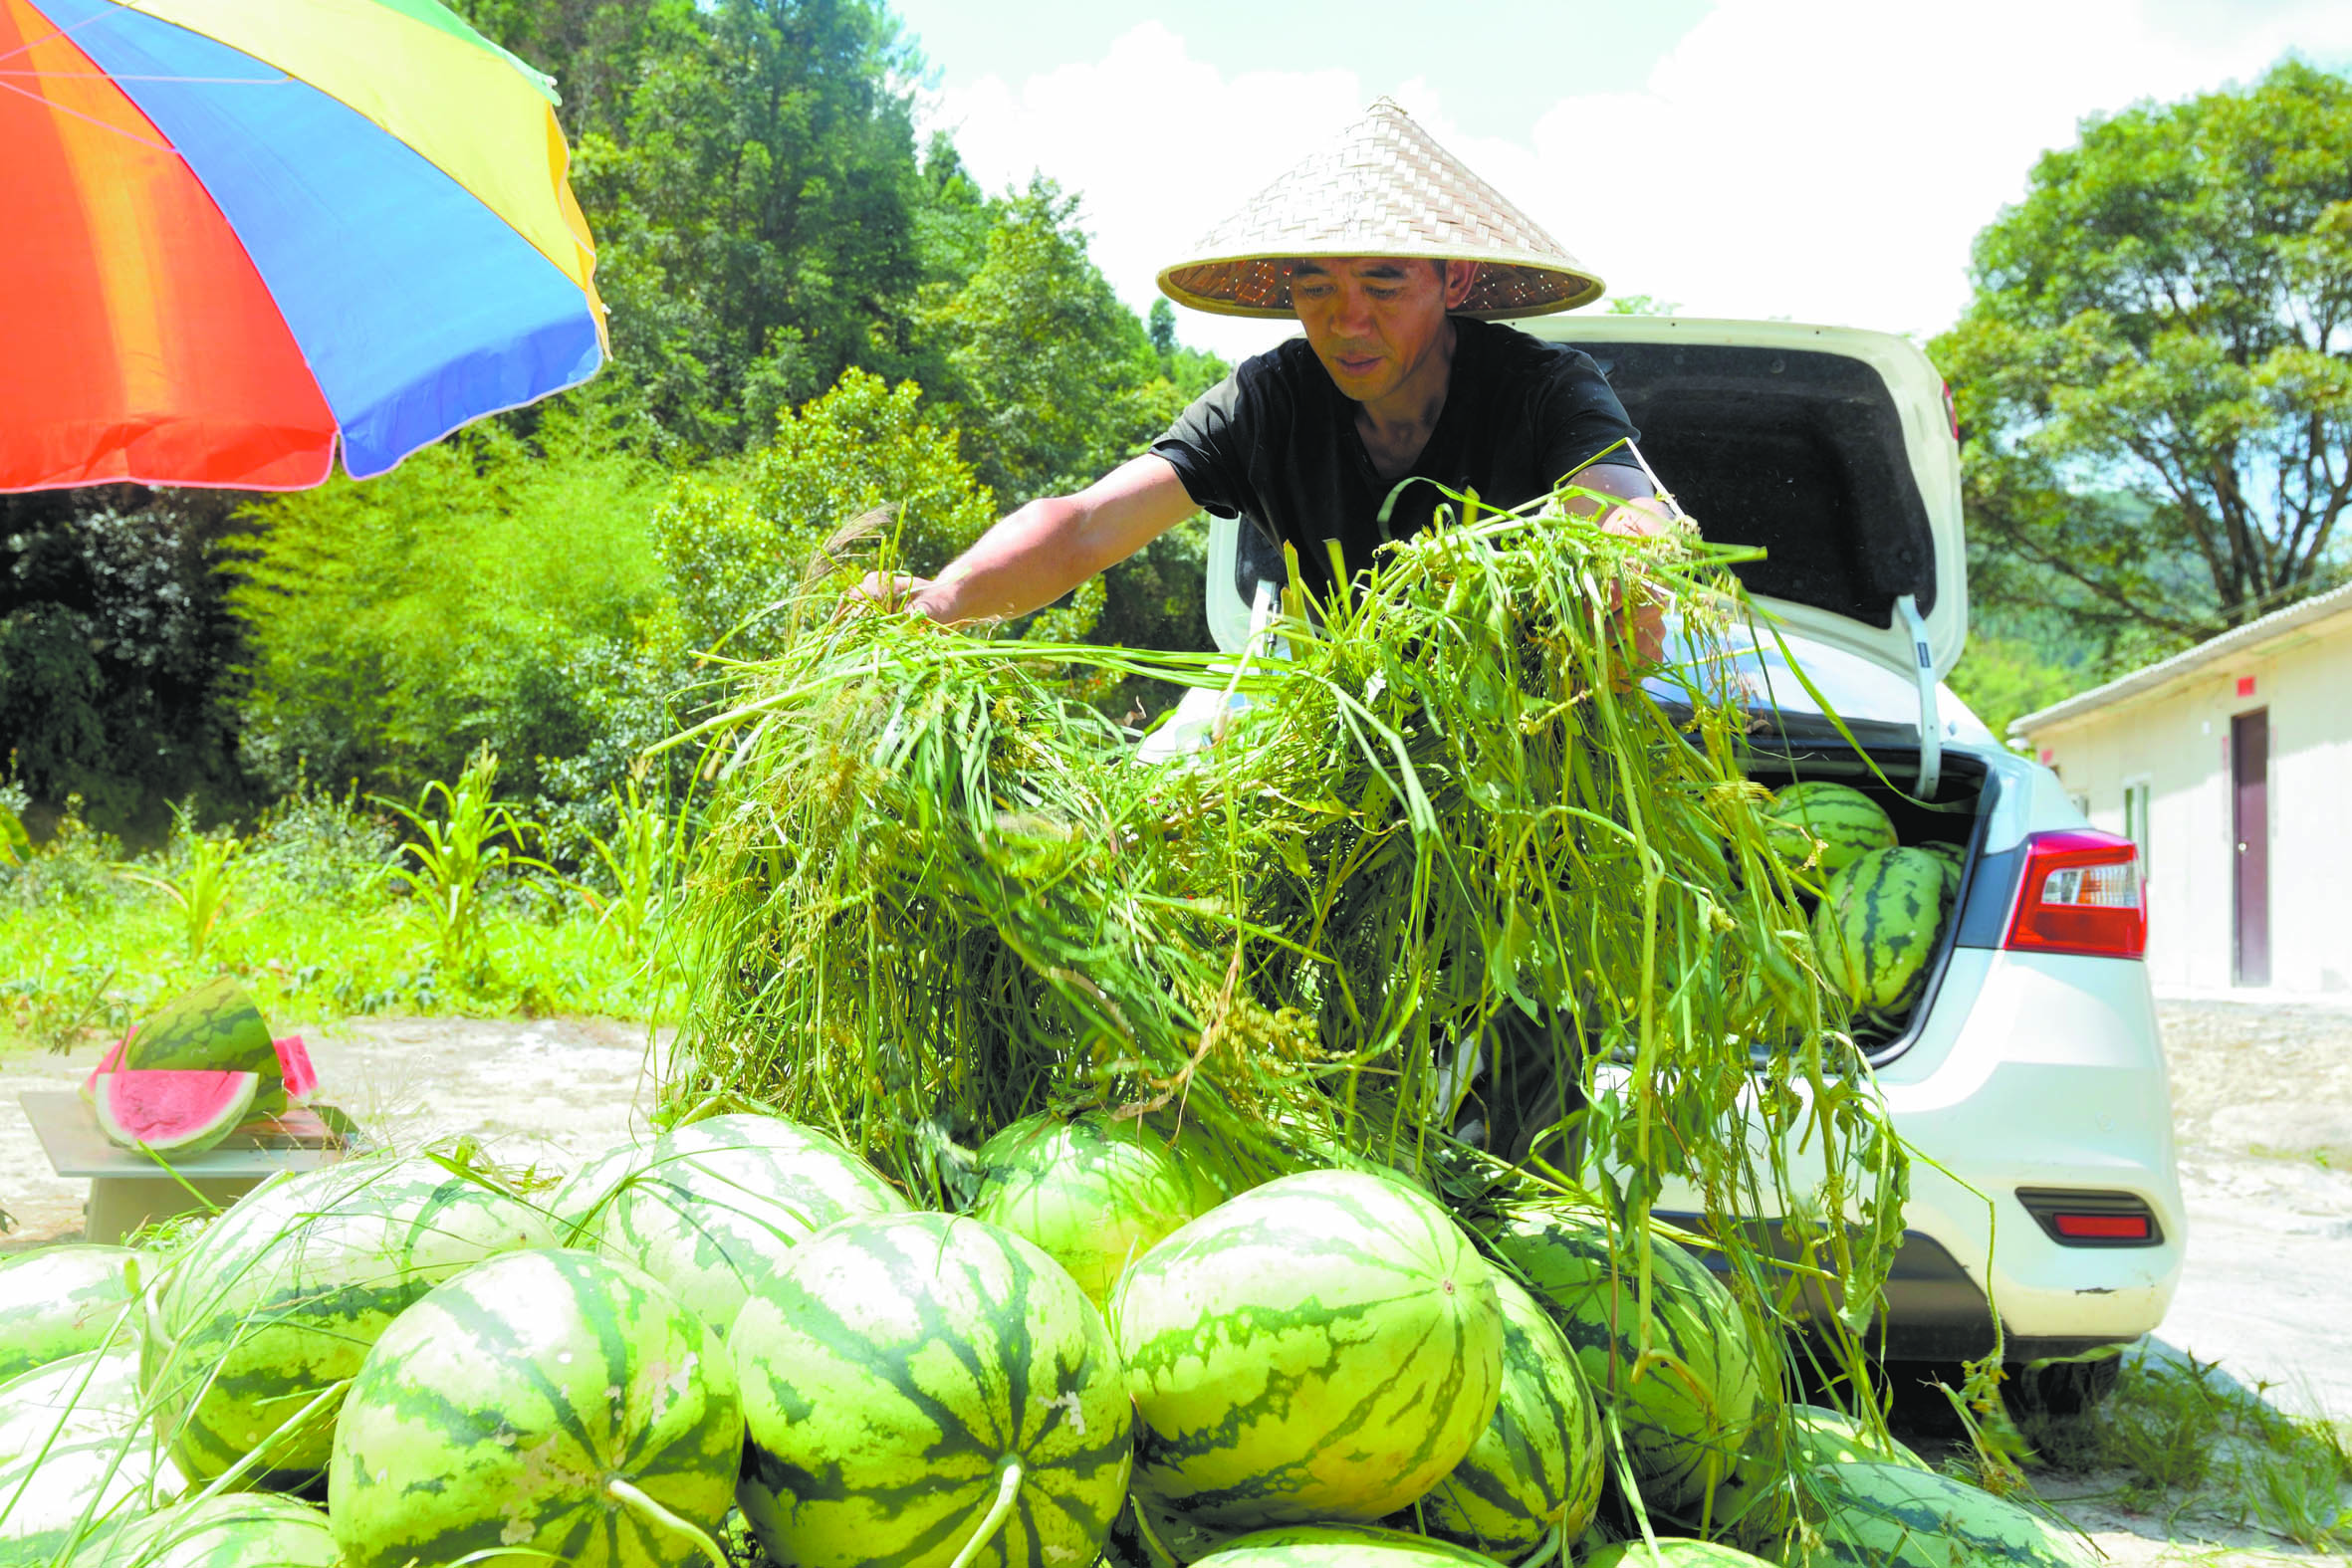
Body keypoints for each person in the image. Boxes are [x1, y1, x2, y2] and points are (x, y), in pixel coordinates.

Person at [864, 100, 1670, 652]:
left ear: (1453, 283)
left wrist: (1630, 566)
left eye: (1383, 284)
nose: (1346, 321)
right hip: (1353, 768)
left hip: (1535, 768)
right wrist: (944, 598)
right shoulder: (1267, 405)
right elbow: (1084, 524)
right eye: (1315, 285)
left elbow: (1622, 506)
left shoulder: (1543, 391)